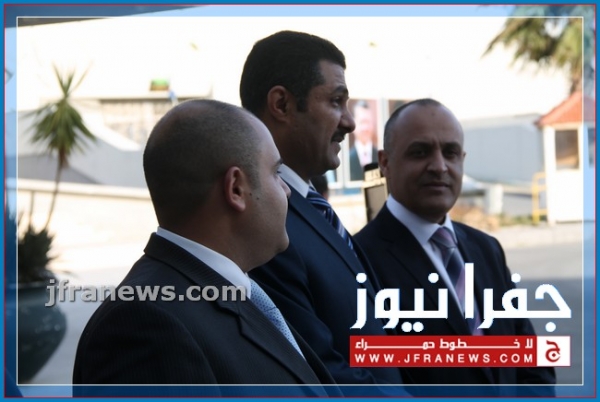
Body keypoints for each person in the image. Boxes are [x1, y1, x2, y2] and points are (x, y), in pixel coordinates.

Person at [72, 99, 340, 397]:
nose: (287, 190)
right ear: (236, 188)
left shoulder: (239, 289)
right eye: (276, 172)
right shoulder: (143, 325)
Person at [240, 30, 406, 396]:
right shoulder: (264, 224)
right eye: (335, 102)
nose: (349, 122)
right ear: (281, 104)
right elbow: (324, 371)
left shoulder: (310, 206)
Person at [354, 98, 556, 396]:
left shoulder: (486, 249)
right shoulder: (358, 260)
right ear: (385, 163)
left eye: (450, 152)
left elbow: (531, 363)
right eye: (420, 152)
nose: (439, 166)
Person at [349, 100, 378, 181]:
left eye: (368, 122)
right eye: (362, 122)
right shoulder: (347, 160)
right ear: (354, 124)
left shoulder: (380, 158)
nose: (365, 128)